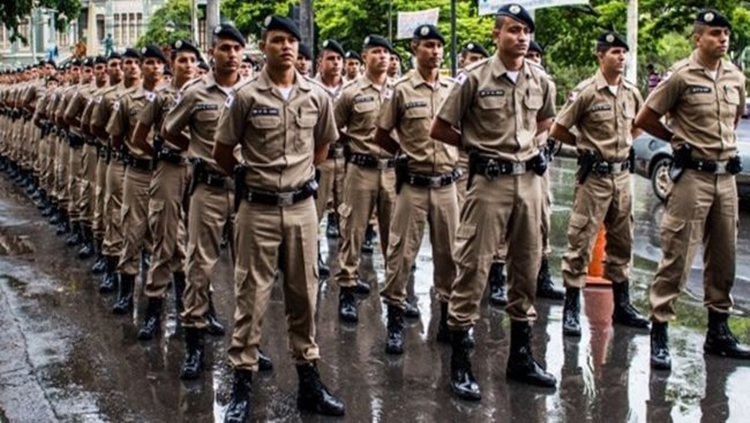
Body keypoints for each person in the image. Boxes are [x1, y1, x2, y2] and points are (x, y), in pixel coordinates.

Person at [214, 15, 345, 421]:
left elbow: (322, 147)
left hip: (303, 208)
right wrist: (258, 176)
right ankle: (242, 384)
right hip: (257, 209)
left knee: (304, 294)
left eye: (291, 40)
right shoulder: (247, 95)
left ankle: (309, 381)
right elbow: (223, 152)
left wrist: (297, 179)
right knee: (251, 296)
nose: (285, 47)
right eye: (276, 40)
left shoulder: (317, 96)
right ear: (264, 46)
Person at [430, 3, 558, 399]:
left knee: (528, 264)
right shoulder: (474, 78)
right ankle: (460, 363)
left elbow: (546, 121)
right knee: (473, 266)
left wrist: (535, 146)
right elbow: (440, 126)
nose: (521, 38)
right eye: (513, 30)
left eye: (526, 32)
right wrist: (476, 147)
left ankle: (520, 358)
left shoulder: (541, 79)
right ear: (496, 34)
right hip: (488, 184)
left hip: (530, 183)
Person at [634, 9, 750, 370]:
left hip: (725, 177)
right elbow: (645, 118)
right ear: (697, 38)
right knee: (678, 254)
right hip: (693, 177)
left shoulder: (734, 75)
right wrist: (678, 141)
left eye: (726, 34)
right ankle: (660, 332)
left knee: (724, 256)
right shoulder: (680, 76)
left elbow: (733, 117)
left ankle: (718, 331)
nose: (723, 39)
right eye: (715, 33)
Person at [162, 23, 268, 380]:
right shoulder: (195, 93)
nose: (232, 55)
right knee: (200, 266)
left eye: (237, 49)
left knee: (250, 271)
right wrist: (195, 154)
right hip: (207, 189)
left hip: (246, 190)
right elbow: (169, 132)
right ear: (213, 53)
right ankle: (194, 343)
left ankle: (251, 342)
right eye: (224, 48)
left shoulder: (254, 92)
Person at [550, 31, 649, 337]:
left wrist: (621, 147)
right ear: (601, 55)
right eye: (615, 52)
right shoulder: (586, 92)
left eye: (624, 52)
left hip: (621, 177)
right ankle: (571, 307)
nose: (621, 57)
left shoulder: (631, 92)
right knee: (581, 241)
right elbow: (558, 128)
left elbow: (639, 126)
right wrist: (585, 145)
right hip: (593, 178)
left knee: (622, 242)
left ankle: (622, 304)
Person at [376, 24, 459, 354]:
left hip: (447, 186)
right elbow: (382, 134)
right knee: (400, 254)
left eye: (439, 45)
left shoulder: (454, 89)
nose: (435, 51)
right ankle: (395, 321)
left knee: (450, 255)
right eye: (428, 45)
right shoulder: (401, 90)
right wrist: (403, 155)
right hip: (413, 184)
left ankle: (446, 320)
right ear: (414, 49)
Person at [132, 40, 198, 340]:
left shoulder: (204, 94)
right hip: (169, 169)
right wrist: (160, 153)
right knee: (164, 239)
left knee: (194, 244)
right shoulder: (161, 97)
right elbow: (139, 135)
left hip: (196, 170)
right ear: (172, 64)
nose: (186, 65)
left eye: (191, 60)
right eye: (181, 60)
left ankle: (195, 310)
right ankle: (154, 310)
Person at [334, 34, 396, 323]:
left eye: (386, 52)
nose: (382, 57)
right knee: (353, 230)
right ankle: (347, 288)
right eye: (375, 52)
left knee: (394, 235)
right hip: (360, 169)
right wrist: (356, 143)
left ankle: (397, 292)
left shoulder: (400, 90)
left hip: (392, 171)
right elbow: (333, 127)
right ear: (364, 56)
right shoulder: (350, 91)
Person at [106, 45, 166, 315]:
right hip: (138, 172)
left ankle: (156, 303)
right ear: (143, 67)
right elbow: (116, 136)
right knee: (132, 231)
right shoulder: (128, 100)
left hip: (166, 174)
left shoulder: (175, 97)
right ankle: (126, 293)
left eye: (158, 63)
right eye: (149, 63)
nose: (154, 67)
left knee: (163, 237)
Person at [313, 39, 347, 275]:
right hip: (319, 159)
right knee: (314, 212)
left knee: (347, 215)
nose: (335, 64)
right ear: (320, 62)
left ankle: (346, 267)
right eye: (330, 59)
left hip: (345, 159)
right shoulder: (309, 89)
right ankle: (313, 257)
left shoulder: (352, 89)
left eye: (339, 59)